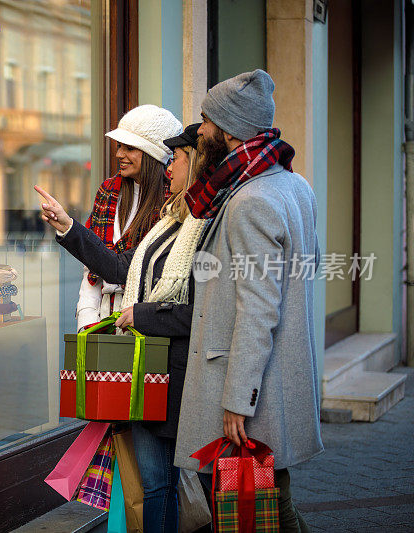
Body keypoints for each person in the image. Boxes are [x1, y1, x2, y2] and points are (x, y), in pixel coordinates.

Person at [36, 122, 207, 532]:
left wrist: (140, 316)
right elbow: (111, 267)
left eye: (176, 159)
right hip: (135, 356)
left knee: (207, 483)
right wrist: (67, 226)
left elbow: (205, 309)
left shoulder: (202, 226)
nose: (169, 168)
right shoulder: (164, 220)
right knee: (151, 481)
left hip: (180, 371)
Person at [173, 69, 323, 533]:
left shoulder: (248, 200)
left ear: (230, 130)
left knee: (255, 511)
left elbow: (258, 308)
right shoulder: (293, 185)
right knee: (271, 503)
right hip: (281, 376)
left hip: (251, 390)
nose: (200, 131)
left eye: (206, 121)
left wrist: (240, 398)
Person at [76, 105, 183, 332]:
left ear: (153, 154)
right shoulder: (108, 191)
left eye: (130, 148)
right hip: (102, 316)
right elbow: (93, 265)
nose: (119, 154)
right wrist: (86, 317)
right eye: (119, 146)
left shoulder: (173, 200)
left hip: (145, 320)